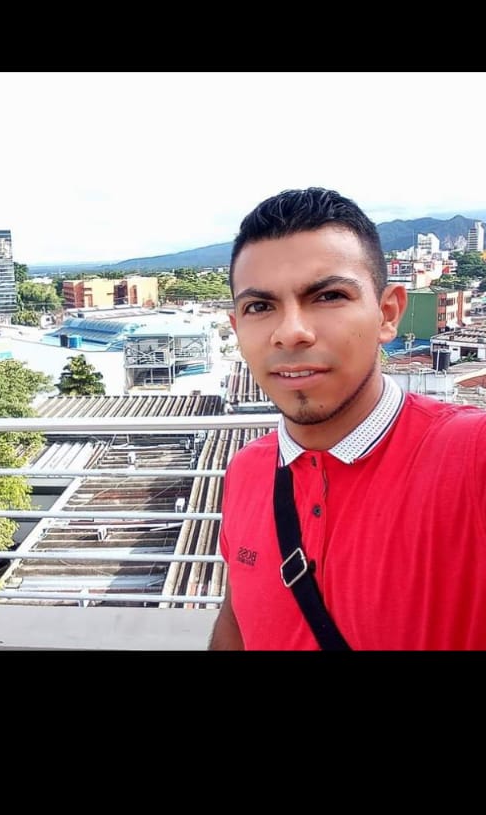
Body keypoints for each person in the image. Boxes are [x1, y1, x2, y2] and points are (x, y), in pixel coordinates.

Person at [208, 187, 486, 651]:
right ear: (237, 329)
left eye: (329, 295)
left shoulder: (471, 457)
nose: (291, 332)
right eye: (260, 306)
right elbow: (236, 623)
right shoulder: (247, 470)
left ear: (388, 313)